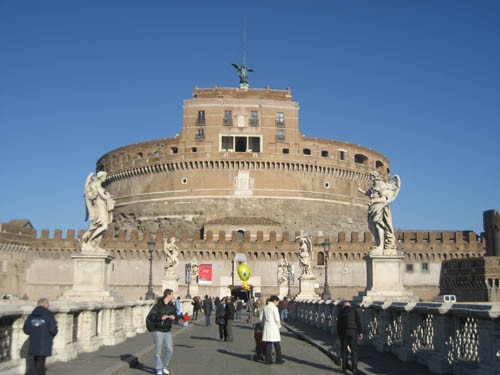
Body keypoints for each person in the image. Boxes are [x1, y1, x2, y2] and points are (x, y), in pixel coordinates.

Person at [358, 171, 401, 252]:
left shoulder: (381, 184)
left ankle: (381, 245)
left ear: (374, 176)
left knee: (378, 224)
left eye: (371, 176)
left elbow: (384, 198)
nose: (370, 178)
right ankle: (378, 243)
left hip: (379, 206)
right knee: (371, 226)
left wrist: (374, 201)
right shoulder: (374, 185)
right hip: (373, 207)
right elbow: (369, 193)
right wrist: (360, 190)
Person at [23, 298, 58, 375]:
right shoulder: (49, 315)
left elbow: (26, 330)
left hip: (33, 343)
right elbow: (53, 329)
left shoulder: (31, 316)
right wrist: (50, 336)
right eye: (48, 304)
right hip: (44, 343)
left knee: (34, 363)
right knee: (41, 365)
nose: (49, 306)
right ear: (45, 304)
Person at [146, 289, 177, 375]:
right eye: (172, 295)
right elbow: (151, 316)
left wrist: (174, 317)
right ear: (168, 295)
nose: (173, 296)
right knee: (158, 351)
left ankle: (164, 366)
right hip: (158, 330)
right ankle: (158, 368)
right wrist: (160, 318)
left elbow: (176, 314)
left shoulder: (172, 305)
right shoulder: (158, 306)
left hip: (167, 330)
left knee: (170, 350)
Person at [337, 301, 363, 375]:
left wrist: (339, 335)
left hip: (344, 333)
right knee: (354, 351)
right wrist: (360, 332)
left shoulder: (341, 311)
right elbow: (358, 321)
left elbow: (338, 324)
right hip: (353, 332)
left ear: (344, 306)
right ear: (350, 305)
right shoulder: (354, 310)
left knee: (344, 351)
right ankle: (354, 369)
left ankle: (344, 368)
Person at [260, 295, 284, 365]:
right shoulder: (274, 308)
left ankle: (268, 360)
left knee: (268, 344)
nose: (278, 303)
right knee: (277, 344)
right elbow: (277, 318)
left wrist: (263, 325)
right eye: (277, 302)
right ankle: (279, 359)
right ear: (274, 301)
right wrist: (279, 325)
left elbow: (262, 318)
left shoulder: (265, 307)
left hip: (267, 326)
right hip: (273, 326)